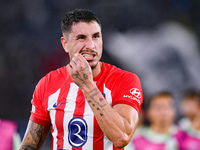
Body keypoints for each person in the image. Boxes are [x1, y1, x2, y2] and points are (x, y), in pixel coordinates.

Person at [19, 9, 143, 150]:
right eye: (81, 38)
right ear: (65, 44)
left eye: (96, 36)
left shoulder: (125, 80)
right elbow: (29, 145)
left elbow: (122, 137)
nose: (91, 46)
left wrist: (87, 85)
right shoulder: (48, 83)